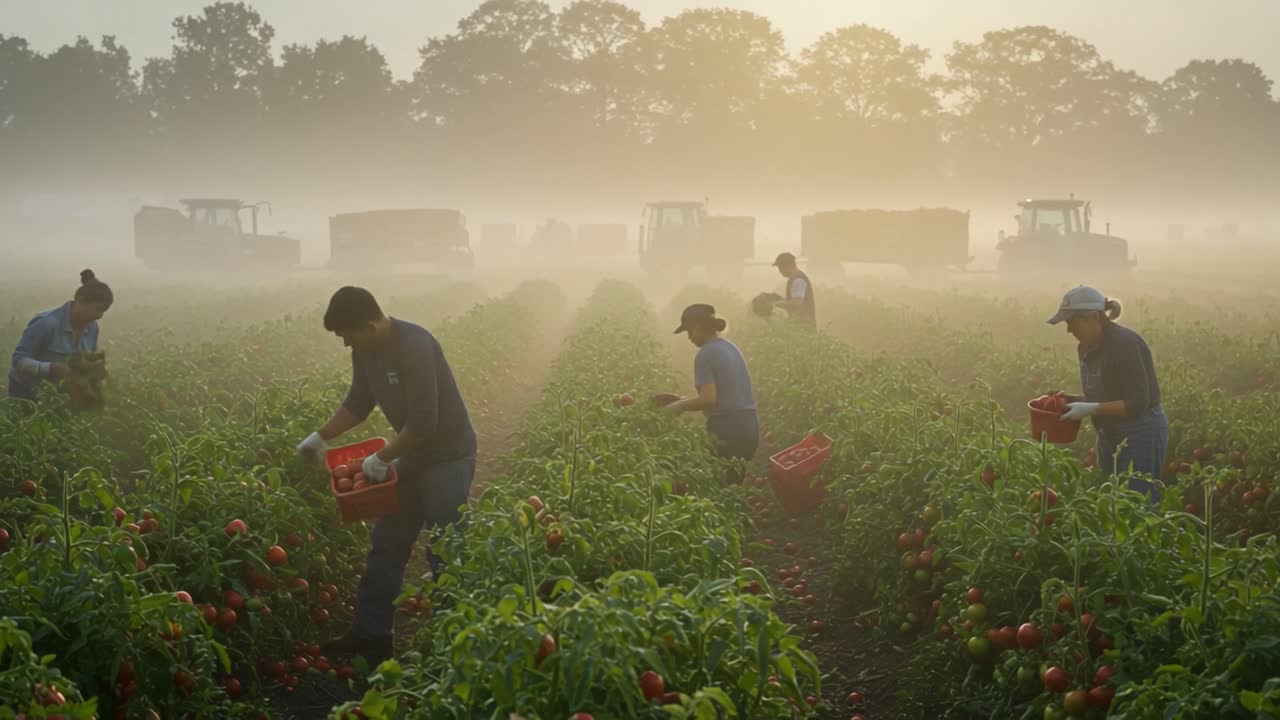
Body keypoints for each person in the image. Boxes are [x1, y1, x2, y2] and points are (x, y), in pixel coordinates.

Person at [296, 287, 477, 663]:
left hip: (447, 456)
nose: (345, 343)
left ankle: (453, 647)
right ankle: (371, 634)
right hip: (410, 454)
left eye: (348, 334)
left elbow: (425, 423)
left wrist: (381, 458)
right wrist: (320, 437)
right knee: (386, 543)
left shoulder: (415, 344)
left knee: (445, 548)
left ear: (372, 324)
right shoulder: (364, 350)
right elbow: (358, 402)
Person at [1048, 285, 1167, 500]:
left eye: (1071, 322)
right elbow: (1103, 395)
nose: (1069, 330)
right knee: (1110, 502)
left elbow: (1137, 403)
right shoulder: (1085, 346)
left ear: (1092, 318)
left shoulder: (1125, 344)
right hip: (1109, 432)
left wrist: (1089, 409)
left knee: (1136, 505)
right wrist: (1070, 400)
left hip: (1140, 432)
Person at [665, 304, 759, 482]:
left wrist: (680, 406)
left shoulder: (705, 354)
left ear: (699, 327)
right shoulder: (730, 347)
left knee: (716, 488)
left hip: (727, 431)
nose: (689, 338)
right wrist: (681, 399)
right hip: (749, 428)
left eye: (689, 332)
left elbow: (708, 399)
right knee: (732, 486)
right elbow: (726, 394)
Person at [8, 269, 113, 402]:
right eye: (98, 309)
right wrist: (50, 369)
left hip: (58, 395)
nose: (99, 316)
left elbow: (86, 361)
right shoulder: (46, 323)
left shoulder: (92, 328)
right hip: (26, 392)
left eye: (103, 311)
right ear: (81, 301)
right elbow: (19, 361)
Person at [772, 252, 816, 329]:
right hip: (801, 325)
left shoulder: (798, 279)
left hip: (803, 326)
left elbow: (796, 302)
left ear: (787, 266)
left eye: (780, 268)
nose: (780, 271)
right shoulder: (795, 278)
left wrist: (776, 304)